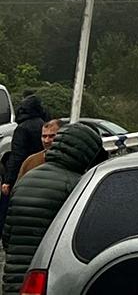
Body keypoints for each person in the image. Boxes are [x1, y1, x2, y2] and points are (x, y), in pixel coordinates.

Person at [1, 122, 107, 295]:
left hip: (14, 275)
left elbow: (7, 232)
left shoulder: (27, 178)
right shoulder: (76, 185)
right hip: (47, 276)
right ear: (86, 152)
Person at [14, 119, 60, 184]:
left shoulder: (71, 161)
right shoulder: (30, 162)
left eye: (51, 136)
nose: (46, 140)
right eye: (44, 136)